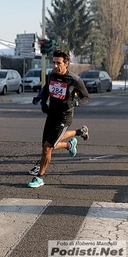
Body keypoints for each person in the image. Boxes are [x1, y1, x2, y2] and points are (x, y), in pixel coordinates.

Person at [28, 50, 90, 188]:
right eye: (54, 63)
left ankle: (40, 177)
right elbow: (46, 89)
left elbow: (86, 97)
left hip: (64, 117)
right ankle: (70, 144)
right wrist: (42, 101)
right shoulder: (51, 75)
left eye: (59, 63)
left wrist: (74, 103)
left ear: (66, 64)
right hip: (52, 114)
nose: (55, 66)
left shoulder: (74, 80)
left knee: (47, 147)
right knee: (46, 146)